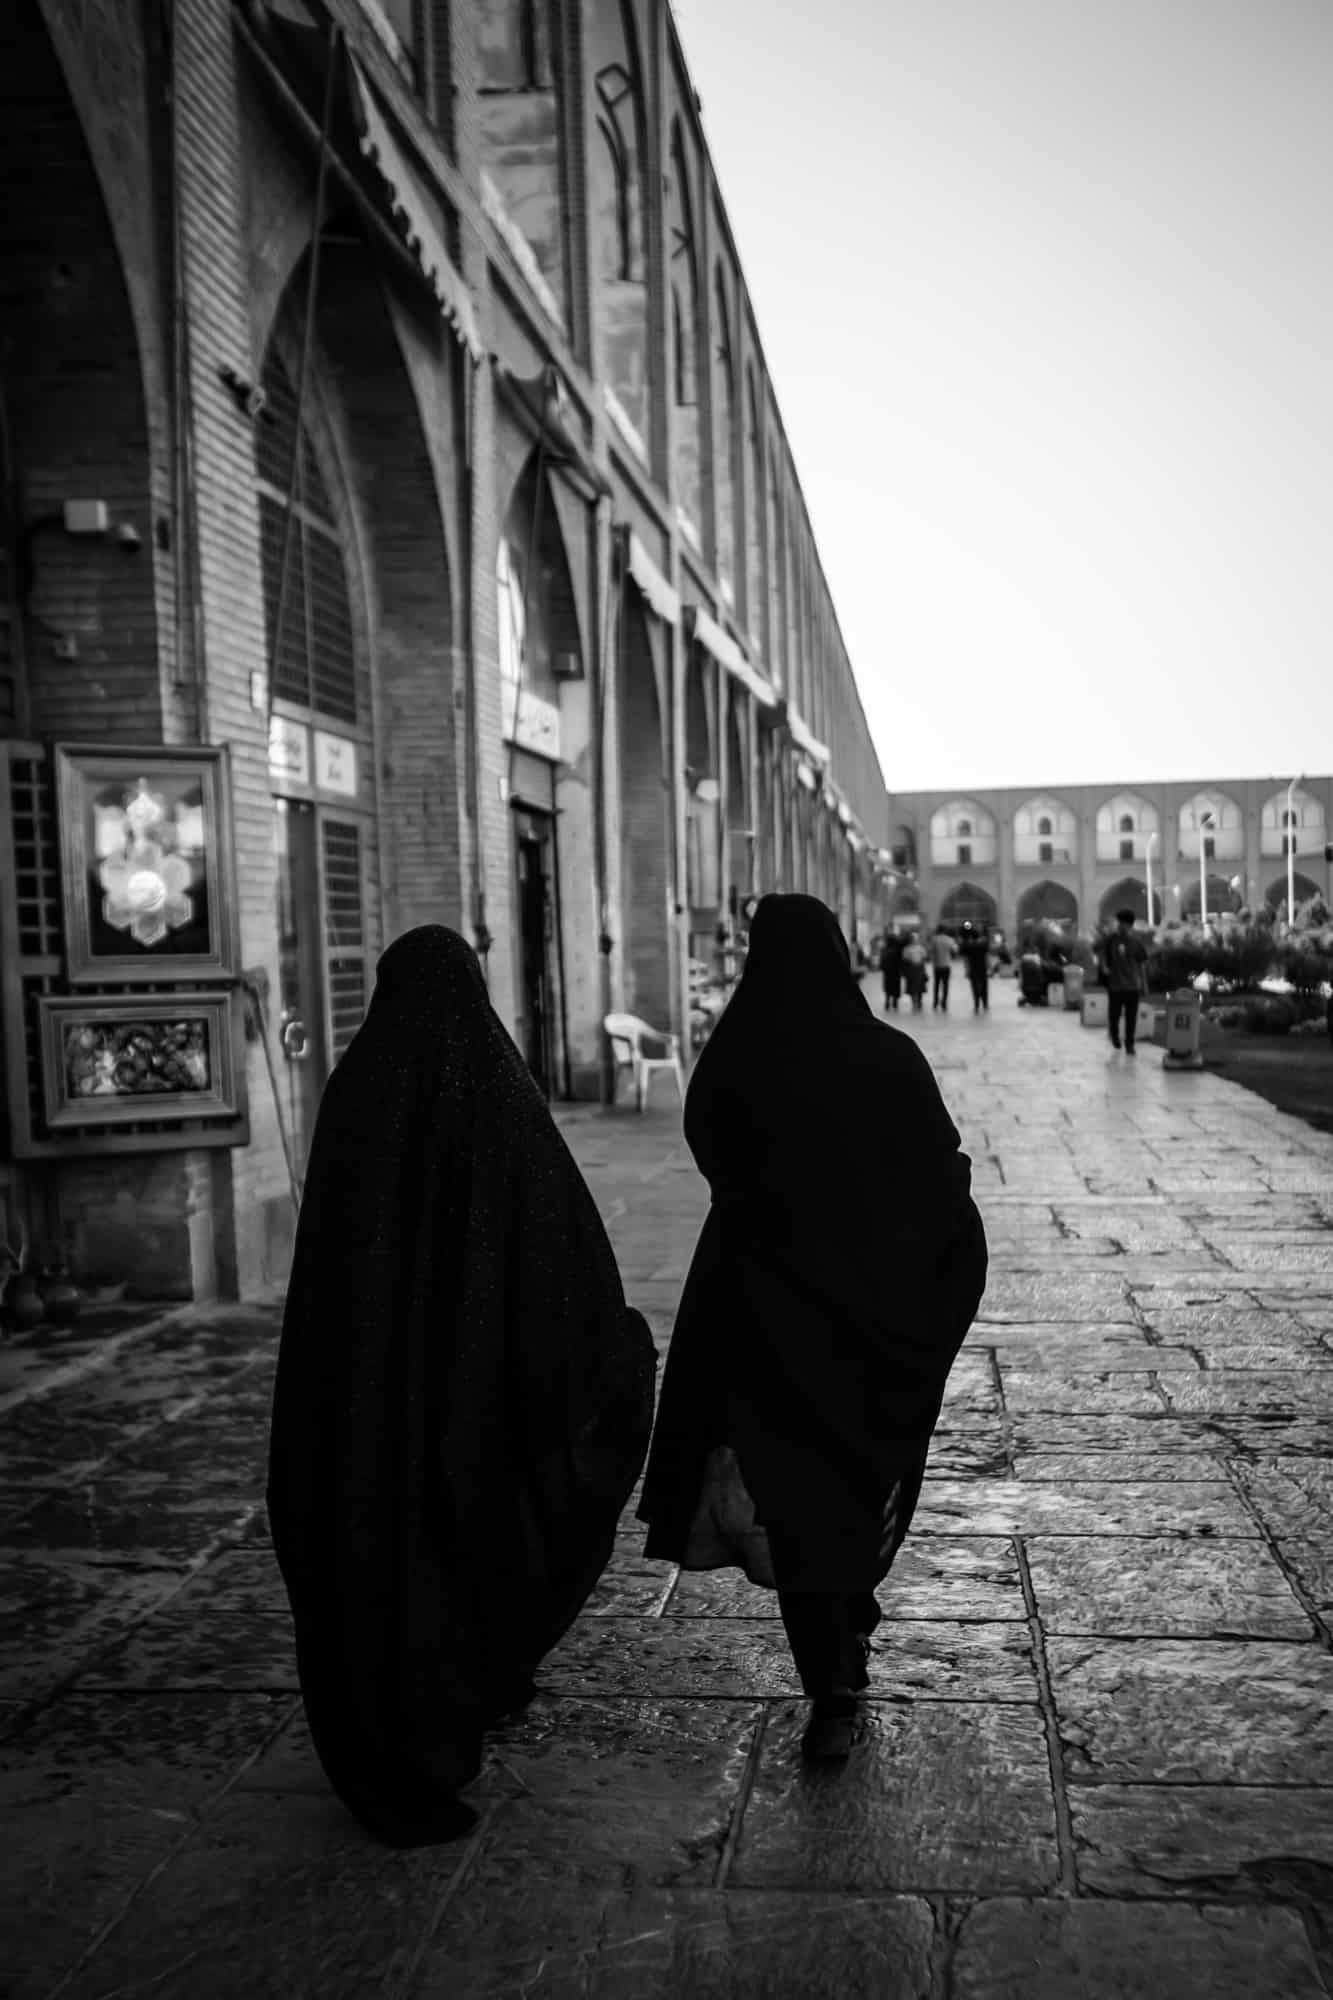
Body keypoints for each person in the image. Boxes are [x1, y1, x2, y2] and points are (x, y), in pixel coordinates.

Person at [267, 925, 656, 1846]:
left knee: (380, 1552)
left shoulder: (355, 1091)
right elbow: (565, 1257)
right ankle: (467, 1687)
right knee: (476, 1538)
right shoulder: (499, 1094)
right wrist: (611, 1351)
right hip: (478, 1408)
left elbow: (327, 1270)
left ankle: (392, 1732)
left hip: (365, 1405)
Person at [638, 895, 988, 1761]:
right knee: (857, 1481)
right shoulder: (886, 1057)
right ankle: (846, 1637)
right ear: (836, 954)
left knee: (793, 1501)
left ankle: (829, 1679)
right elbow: (941, 1183)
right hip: (877, 1319)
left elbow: (714, 1158)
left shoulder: (731, 1062)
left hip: (764, 1318)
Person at [1096, 906, 1149, 1054]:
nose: (1119, 925)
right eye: (1118, 923)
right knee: (1114, 1015)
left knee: (1131, 1017)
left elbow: (1141, 964)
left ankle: (1130, 1044)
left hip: (1132, 985)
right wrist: (1103, 965)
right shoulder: (1111, 939)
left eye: (1122, 923)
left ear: (1129, 925)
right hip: (1115, 985)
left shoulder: (1136, 942)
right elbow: (1098, 951)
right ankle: (1114, 1035)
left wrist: (1144, 984)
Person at [958, 923, 991, 1013]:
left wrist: (967, 970)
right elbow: (986, 957)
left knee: (974, 986)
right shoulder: (983, 945)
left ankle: (976, 1004)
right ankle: (985, 1003)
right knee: (984, 986)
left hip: (973, 969)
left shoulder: (969, 947)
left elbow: (966, 959)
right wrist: (989, 968)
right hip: (983, 968)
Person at [930, 924, 957, 1011]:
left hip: (937, 965)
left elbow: (930, 951)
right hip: (946, 965)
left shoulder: (934, 939)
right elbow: (955, 950)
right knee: (945, 985)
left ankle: (935, 1002)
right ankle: (944, 1003)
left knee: (936, 984)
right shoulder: (949, 940)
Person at [902, 933, 928, 1011]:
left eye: (915, 938)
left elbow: (924, 957)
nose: (914, 940)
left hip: (919, 968)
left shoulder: (921, 948)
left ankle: (919, 1001)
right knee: (912, 987)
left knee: (920, 986)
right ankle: (913, 1002)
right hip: (911, 969)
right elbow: (905, 959)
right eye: (913, 938)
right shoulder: (907, 949)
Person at [880, 929, 904, 1011]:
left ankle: (887, 1002)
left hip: (887, 972)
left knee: (888, 987)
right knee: (895, 987)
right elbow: (901, 961)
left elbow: (882, 961)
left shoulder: (885, 949)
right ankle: (895, 1003)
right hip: (896, 971)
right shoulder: (897, 950)